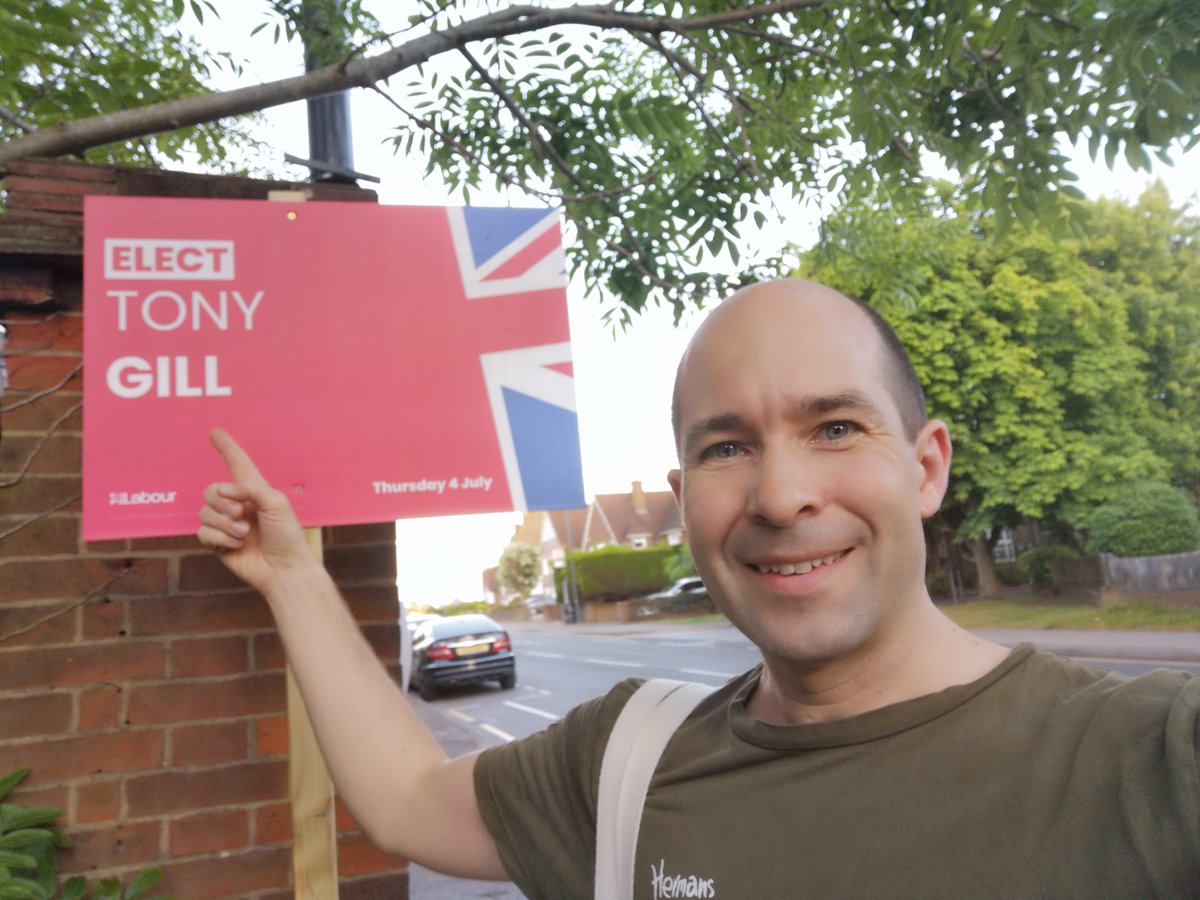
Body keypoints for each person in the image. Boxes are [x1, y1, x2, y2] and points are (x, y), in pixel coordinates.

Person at [199, 278, 1200, 898]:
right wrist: (293, 574)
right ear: (683, 498)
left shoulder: (1150, 759)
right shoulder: (629, 757)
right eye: (728, 447)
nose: (781, 494)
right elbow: (411, 802)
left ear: (927, 465)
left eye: (837, 428)